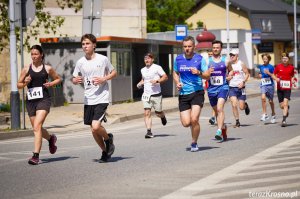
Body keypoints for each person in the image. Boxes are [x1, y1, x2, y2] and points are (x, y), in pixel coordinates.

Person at [72, 34, 117, 162]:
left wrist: (104, 78)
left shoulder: (102, 59)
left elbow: (114, 72)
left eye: (87, 43)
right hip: (88, 99)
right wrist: (75, 80)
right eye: (83, 44)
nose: (85, 46)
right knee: (93, 130)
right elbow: (74, 78)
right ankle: (105, 152)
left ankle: (108, 139)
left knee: (96, 126)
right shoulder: (80, 62)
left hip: (101, 97)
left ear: (94, 45)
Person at [17, 45, 62, 165]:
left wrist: (51, 84)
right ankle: (51, 139)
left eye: (36, 54)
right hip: (31, 101)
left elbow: (58, 79)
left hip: (44, 100)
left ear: (41, 54)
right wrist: (25, 82)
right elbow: (18, 85)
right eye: (32, 54)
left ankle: (35, 156)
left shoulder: (47, 68)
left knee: (37, 126)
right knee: (37, 128)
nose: (33, 56)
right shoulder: (26, 69)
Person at [173, 36, 211, 152]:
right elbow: (175, 72)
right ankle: (193, 129)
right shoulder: (178, 59)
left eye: (189, 46)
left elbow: (207, 75)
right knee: (186, 123)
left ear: (194, 47)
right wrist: (177, 82)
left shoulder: (200, 59)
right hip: (184, 93)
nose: (187, 48)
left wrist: (198, 72)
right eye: (185, 46)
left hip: (197, 92)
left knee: (194, 119)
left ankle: (194, 142)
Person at [137, 53, 168, 138]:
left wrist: (157, 81)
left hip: (156, 94)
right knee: (147, 113)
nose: (147, 60)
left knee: (158, 112)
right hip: (146, 95)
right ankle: (149, 132)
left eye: (148, 58)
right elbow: (143, 79)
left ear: (152, 59)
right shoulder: (142, 70)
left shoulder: (157, 67)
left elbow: (165, 77)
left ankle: (162, 116)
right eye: (145, 59)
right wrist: (140, 83)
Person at [205, 40, 231, 141]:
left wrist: (230, 75)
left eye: (217, 48)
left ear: (221, 49)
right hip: (211, 89)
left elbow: (231, 70)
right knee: (216, 112)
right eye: (214, 47)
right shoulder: (207, 61)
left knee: (220, 109)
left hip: (223, 87)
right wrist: (207, 72)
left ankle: (219, 130)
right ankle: (223, 127)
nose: (215, 49)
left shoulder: (226, 60)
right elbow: (204, 74)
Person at [266, 52, 295, 127]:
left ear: (288, 59)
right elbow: (273, 75)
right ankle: (286, 108)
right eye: (283, 58)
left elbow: (292, 76)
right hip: (280, 88)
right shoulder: (278, 67)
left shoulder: (291, 67)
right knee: (282, 105)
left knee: (285, 103)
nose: (284, 60)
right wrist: (276, 79)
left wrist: (292, 80)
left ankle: (284, 120)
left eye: (286, 58)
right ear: (281, 59)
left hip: (287, 88)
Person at [228, 49, 250, 128]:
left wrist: (243, 82)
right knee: (234, 104)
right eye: (230, 55)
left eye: (233, 55)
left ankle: (245, 106)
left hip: (241, 87)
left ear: (237, 56)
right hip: (232, 87)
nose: (231, 57)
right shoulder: (229, 64)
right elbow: (226, 75)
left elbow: (247, 74)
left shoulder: (241, 64)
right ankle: (237, 121)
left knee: (241, 107)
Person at [257, 53, 276, 123]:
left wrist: (269, 73)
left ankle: (273, 114)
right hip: (263, 84)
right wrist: (259, 75)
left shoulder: (271, 67)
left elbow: (274, 75)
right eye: (263, 59)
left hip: (270, 85)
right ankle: (264, 114)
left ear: (269, 59)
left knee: (270, 101)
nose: (264, 60)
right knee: (263, 98)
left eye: (266, 59)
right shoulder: (261, 66)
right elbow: (260, 73)